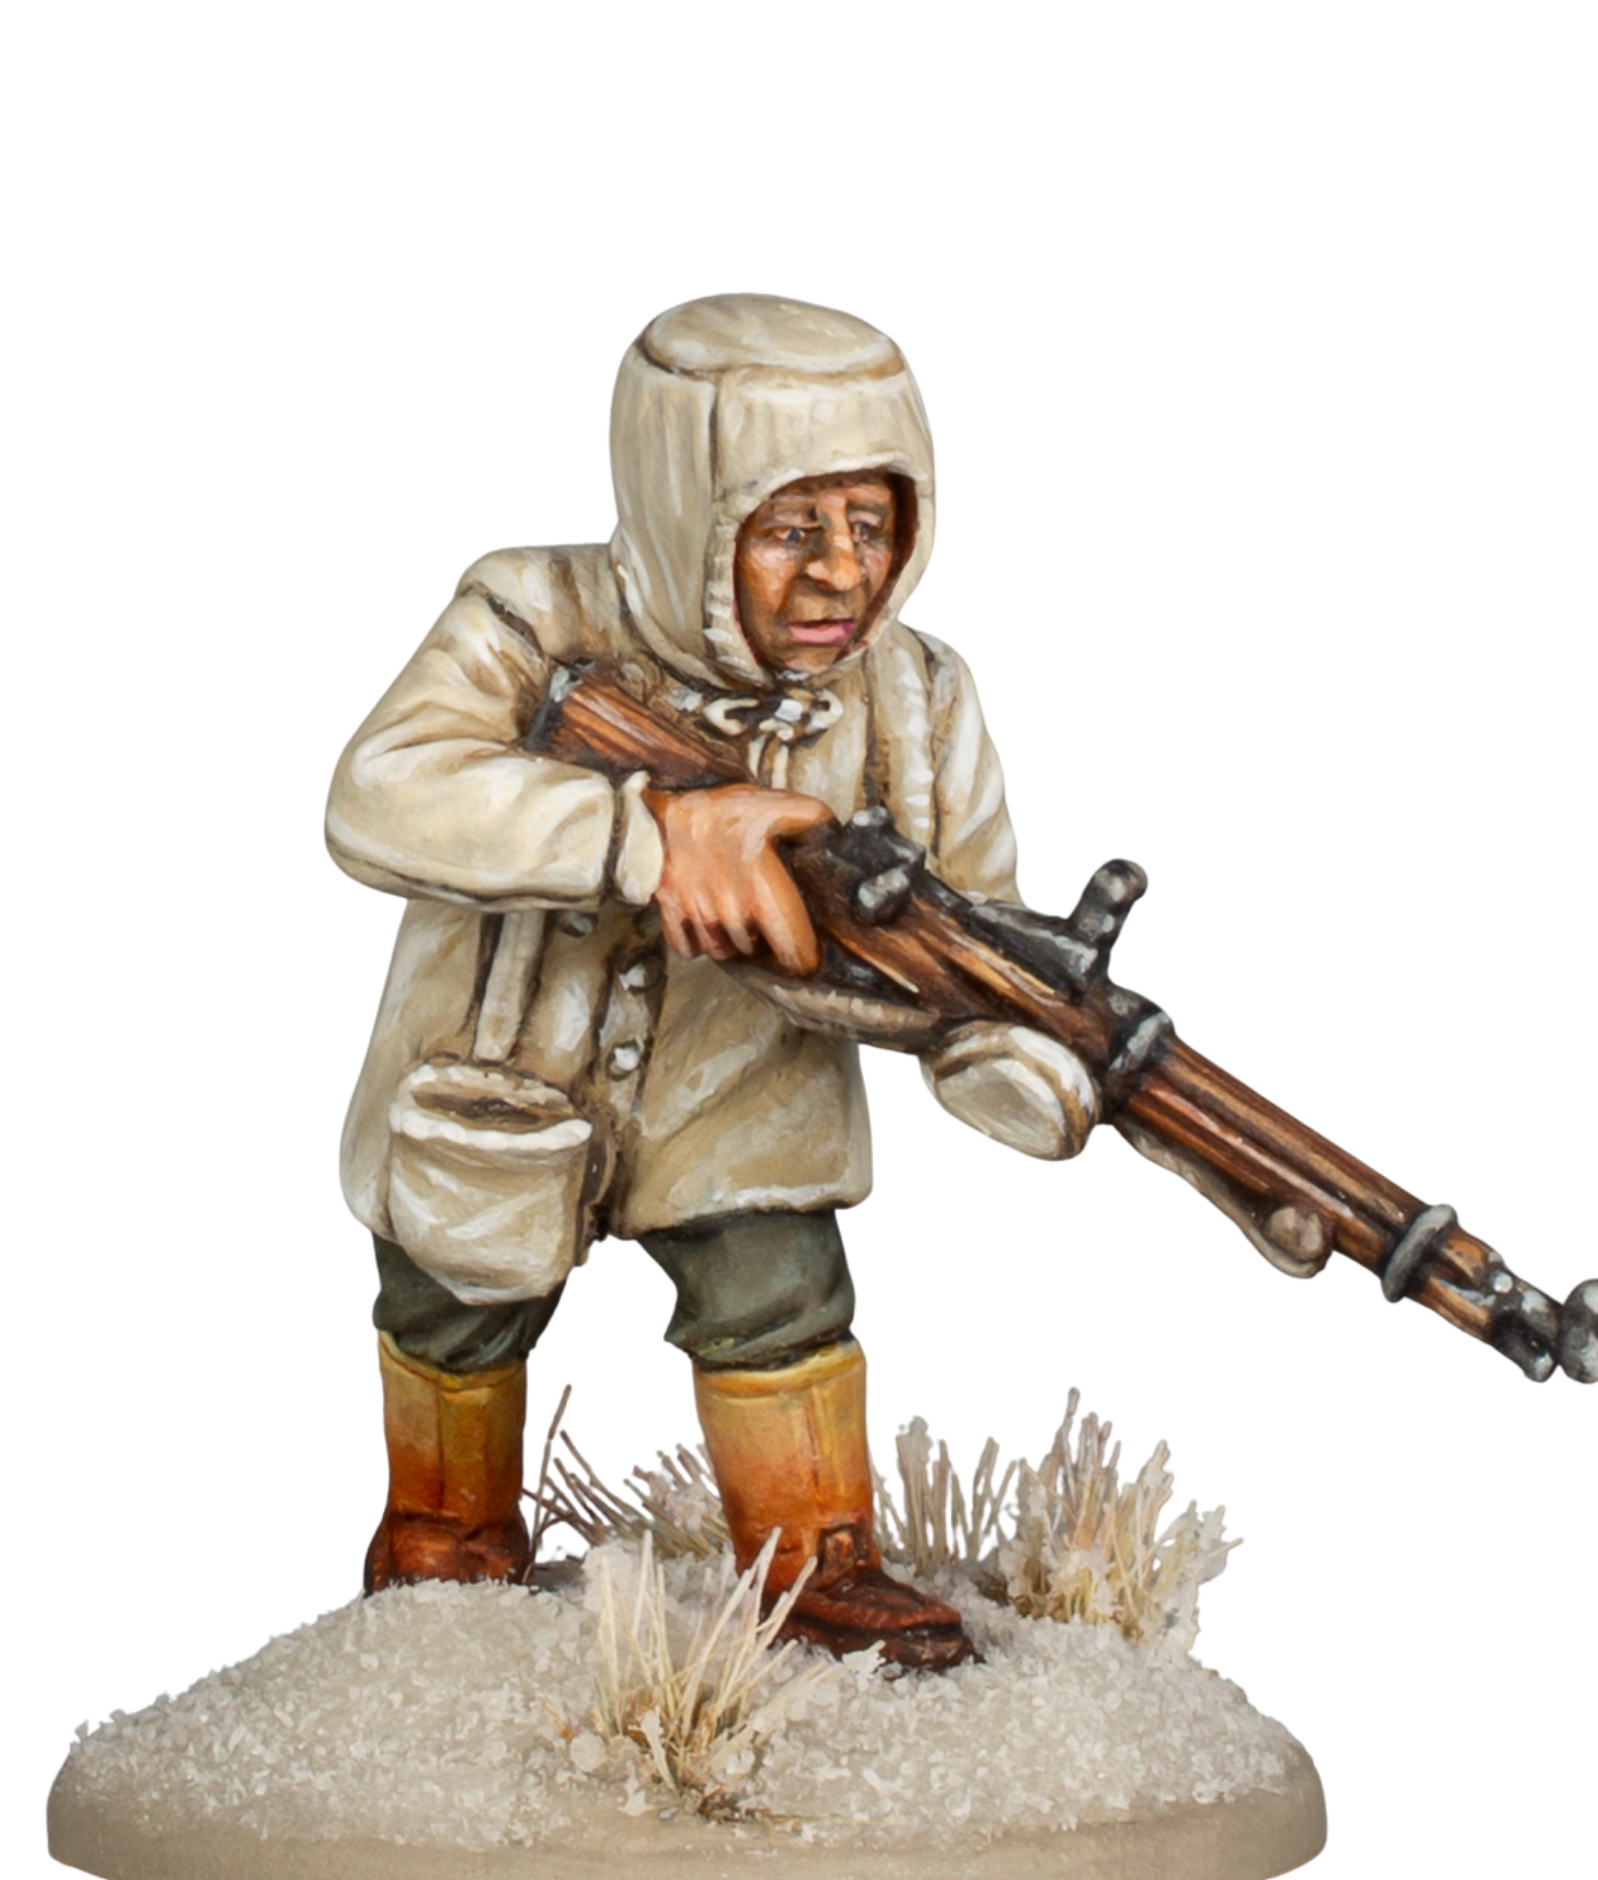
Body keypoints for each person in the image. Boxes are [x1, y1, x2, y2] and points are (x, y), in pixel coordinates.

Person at [326, 295, 1096, 1670]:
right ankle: (444, 1543)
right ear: (690, 506)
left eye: (871, 525)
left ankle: (813, 1567)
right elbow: (383, 794)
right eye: (791, 529)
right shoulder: (530, 615)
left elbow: (972, 930)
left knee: (781, 1303)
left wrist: (1014, 1050)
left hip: (742, 1096)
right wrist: (647, 836)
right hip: (500, 1075)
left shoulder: (918, 698)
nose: (841, 571)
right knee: (451, 1303)